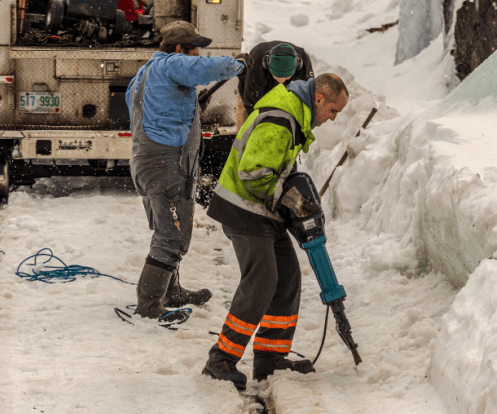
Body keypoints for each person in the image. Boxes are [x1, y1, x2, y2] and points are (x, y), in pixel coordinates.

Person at [202, 73, 349, 389]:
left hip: (264, 211)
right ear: (319, 99)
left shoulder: (294, 114)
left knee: (286, 278)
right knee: (262, 280)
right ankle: (221, 359)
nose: (332, 118)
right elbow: (254, 173)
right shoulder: (282, 118)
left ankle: (270, 358)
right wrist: (292, 200)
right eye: (333, 110)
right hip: (245, 209)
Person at [126, 20, 251, 324]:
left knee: (170, 230)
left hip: (151, 162)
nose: (198, 55)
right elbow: (204, 69)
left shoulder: (145, 73)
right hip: (165, 163)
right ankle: (149, 304)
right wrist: (239, 65)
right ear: (180, 49)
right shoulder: (171, 64)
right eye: (195, 49)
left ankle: (171, 291)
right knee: (171, 235)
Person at [237, 41, 314, 121]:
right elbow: (251, 103)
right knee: (246, 114)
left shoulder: (304, 66)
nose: (281, 81)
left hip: (290, 87)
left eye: (286, 77)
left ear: (298, 65)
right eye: (277, 76)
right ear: (267, 65)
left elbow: (308, 102)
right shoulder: (257, 66)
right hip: (260, 84)